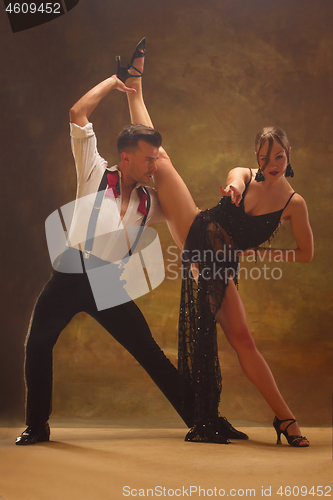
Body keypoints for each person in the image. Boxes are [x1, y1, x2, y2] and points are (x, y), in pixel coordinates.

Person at [16, 40, 244, 445]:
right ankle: (37, 425)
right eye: (148, 159)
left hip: (108, 282)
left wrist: (226, 205)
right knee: (38, 343)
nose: (155, 164)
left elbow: (187, 217)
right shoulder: (93, 171)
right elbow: (77, 113)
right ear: (125, 158)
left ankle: (205, 419)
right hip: (70, 272)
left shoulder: (147, 202)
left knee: (151, 355)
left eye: (156, 158)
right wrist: (116, 81)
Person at [123, 41, 314, 447]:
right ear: (256, 156)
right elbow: (237, 180)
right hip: (197, 230)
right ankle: (135, 87)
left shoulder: (295, 205)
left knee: (244, 340)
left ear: (288, 153)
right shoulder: (245, 173)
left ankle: (285, 420)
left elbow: (305, 253)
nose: (271, 165)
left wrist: (261, 252)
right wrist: (234, 186)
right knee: (159, 159)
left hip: (218, 265)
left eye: (278, 156)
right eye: (264, 158)